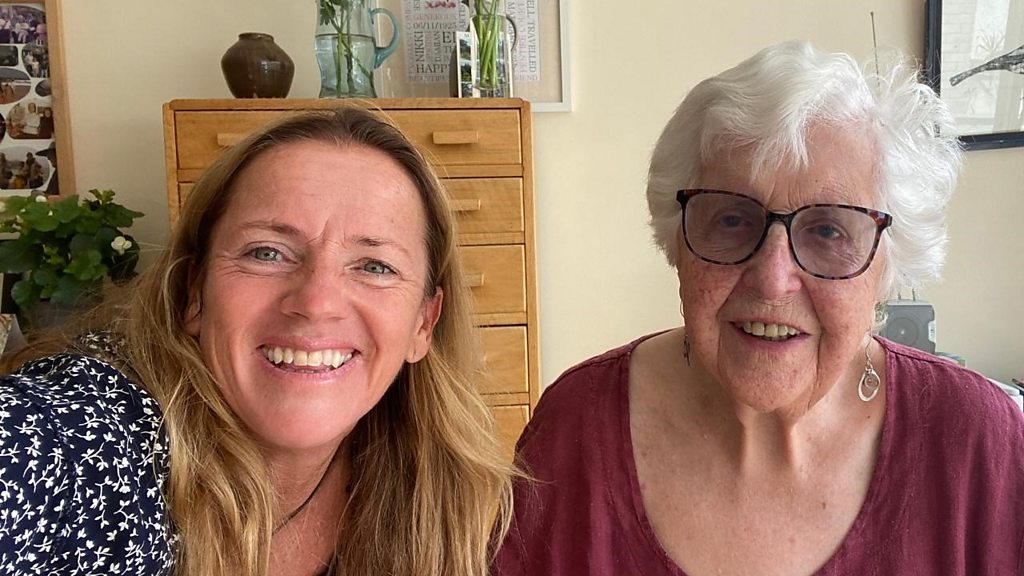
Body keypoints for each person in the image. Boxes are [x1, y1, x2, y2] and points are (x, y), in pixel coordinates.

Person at [493, 40, 1024, 575]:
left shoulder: (977, 444)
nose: (772, 280)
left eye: (828, 230)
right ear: (677, 242)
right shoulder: (576, 429)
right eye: (731, 219)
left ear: (889, 264)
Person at [0, 108, 514, 575]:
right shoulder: (81, 443)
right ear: (195, 294)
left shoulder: (434, 488)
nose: (316, 302)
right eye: (267, 253)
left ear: (424, 324)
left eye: (374, 266)